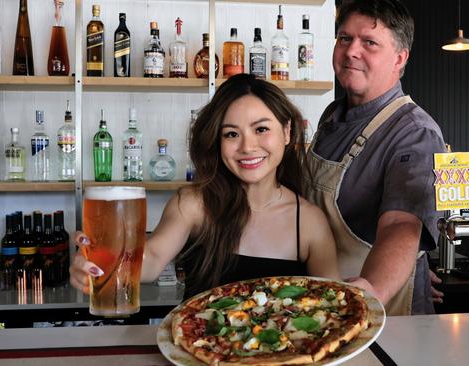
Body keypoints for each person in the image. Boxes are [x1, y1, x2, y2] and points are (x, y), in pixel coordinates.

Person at [71, 74, 339, 299]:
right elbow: (151, 259)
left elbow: (333, 305)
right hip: (201, 356)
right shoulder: (193, 204)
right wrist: (100, 261)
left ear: (287, 131)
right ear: (216, 141)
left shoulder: (310, 222)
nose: (247, 147)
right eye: (231, 134)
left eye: (261, 129)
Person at [304, 0, 445, 315]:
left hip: (378, 314)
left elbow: (402, 225)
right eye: (345, 38)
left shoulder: (415, 133)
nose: (352, 51)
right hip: (322, 299)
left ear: (399, 58)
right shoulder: (332, 115)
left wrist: (375, 287)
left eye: (369, 42)